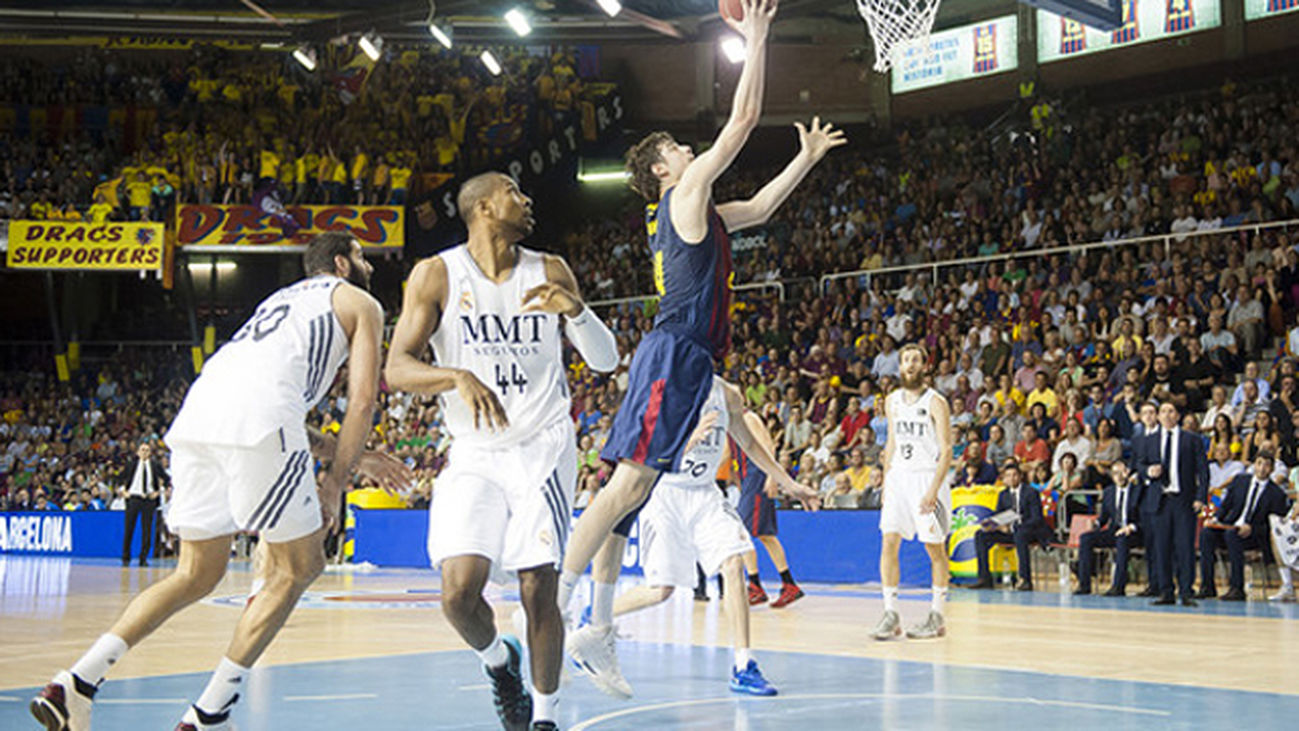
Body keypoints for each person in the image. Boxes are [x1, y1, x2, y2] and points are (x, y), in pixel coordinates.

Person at [555, 0, 844, 661]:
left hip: (688, 357)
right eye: (677, 149)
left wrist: (804, 158)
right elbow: (741, 120)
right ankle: (562, 593)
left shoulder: (702, 211)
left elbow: (764, 206)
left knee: (629, 485)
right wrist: (758, 35)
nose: (688, 150)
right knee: (625, 484)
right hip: (675, 349)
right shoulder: (680, 196)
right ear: (661, 170)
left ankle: (581, 603)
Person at [32, 232, 410, 731]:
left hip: (199, 412)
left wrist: (349, 460)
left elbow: (273, 401)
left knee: (195, 572)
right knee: (299, 567)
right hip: (259, 420)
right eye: (362, 256)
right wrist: (336, 481)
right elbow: (362, 400)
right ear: (341, 263)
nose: (370, 266)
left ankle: (75, 683)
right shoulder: (361, 301)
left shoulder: (280, 301)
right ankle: (211, 713)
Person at [384, 173, 618, 731]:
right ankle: (499, 662)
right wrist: (454, 376)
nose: (529, 200)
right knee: (458, 596)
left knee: (538, 582)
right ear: (485, 207)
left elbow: (606, 361)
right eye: (517, 192)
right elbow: (397, 367)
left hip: (542, 447)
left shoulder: (550, 269)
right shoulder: (437, 274)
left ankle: (544, 717)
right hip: (473, 451)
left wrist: (576, 312)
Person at [566, 379, 818, 698]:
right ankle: (597, 616)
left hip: (705, 495)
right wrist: (690, 439)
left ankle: (744, 665)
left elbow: (752, 446)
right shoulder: (664, 389)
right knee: (662, 591)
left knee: (733, 563)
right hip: (665, 494)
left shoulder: (727, 394)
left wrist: (789, 484)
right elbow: (645, 455)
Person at [871, 343, 953, 640]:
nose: (910, 364)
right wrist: (886, 479)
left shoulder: (936, 402)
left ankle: (937, 616)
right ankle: (891, 614)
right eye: (906, 360)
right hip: (898, 480)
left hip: (927, 479)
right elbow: (891, 442)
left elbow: (946, 450)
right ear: (900, 366)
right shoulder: (892, 400)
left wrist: (933, 490)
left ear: (925, 366)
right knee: (889, 542)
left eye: (916, 360)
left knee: (935, 549)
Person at [1133, 402, 1208, 606]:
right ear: (1158, 416)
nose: (1167, 415)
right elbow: (1138, 464)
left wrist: (1201, 497)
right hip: (1159, 500)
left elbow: (1203, 470)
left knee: (1185, 547)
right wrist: (1148, 471)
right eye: (1163, 411)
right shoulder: (1149, 440)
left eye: (1171, 411)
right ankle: (1166, 591)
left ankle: (1186, 591)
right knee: (1161, 547)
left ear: (1178, 416)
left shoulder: (1191, 439)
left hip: (1183, 500)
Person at [1196, 452, 1288, 601]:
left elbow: (1275, 526)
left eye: (1266, 465)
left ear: (1271, 469)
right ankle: (1207, 587)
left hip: (1254, 536)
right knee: (1207, 533)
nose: (1262, 468)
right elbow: (1225, 506)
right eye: (1259, 463)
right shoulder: (1240, 481)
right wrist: (1215, 518)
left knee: (1232, 536)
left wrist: (1252, 528)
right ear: (1254, 465)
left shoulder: (1277, 494)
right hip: (1232, 527)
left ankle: (1237, 588)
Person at [737, 420, 807, 608]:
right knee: (764, 535)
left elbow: (768, 445)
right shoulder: (730, 421)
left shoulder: (748, 417)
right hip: (748, 480)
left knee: (743, 533)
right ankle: (788, 584)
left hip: (758, 478)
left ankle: (756, 585)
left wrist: (772, 476)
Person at [969, 462, 1053, 591]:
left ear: (1020, 477)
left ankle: (1025, 580)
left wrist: (1018, 525)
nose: (1012, 478)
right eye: (1008, 476)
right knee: (980, 535)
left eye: (1015, 475)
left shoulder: (1031, 492)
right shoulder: (1003, 494)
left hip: (1030, 532)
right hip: (1010, 532)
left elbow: (1037, 518)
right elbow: (998, 515)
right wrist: (995, 525)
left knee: (1020, 533)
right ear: (1004, 479)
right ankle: (985, 579)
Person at [1074, 462, 1143, 596]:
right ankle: (1084, 585)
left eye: (1122, 472)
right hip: (1114, 530)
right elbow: (1104, 518)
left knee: (1122, 540)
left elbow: (1144, 518)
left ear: (1128, 472)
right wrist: (1095, 524)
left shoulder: (1137, 491)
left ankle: (1118, 586)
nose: (1119, 476)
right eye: (1115, 473)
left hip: (1133, 532)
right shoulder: (1109, 492)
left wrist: (1131, 527)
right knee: (1086, 538)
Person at [119, 442, 167, 567]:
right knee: (129, 528)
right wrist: (123, 491)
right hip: (133, 498)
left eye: (147, 450)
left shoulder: (155, 465)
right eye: (142, 450)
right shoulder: (131, 465)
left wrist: (158, 492)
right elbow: (119, 478)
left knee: (147, 530)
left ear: (150, 453)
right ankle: (126, 556)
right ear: (138, 452)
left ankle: (143, 557)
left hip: (149, 500)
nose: (144, 452)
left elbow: (166, 479)